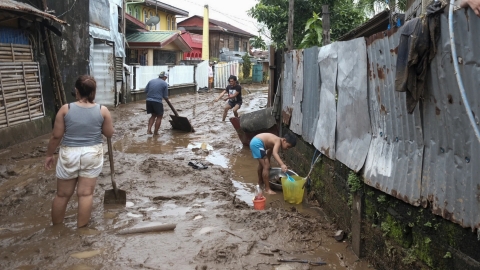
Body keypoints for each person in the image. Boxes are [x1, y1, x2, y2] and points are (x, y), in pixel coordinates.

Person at [44, 75, 114, 228]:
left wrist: (49, 154)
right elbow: (109, 134)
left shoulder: (65, 109)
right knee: (86, 194)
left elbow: (56, 136)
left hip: (69, 153)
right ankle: (81, 230)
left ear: (76, 91)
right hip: (92, 153)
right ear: (93, 91)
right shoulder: (103, 110)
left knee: (62, 195)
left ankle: (57, 229)